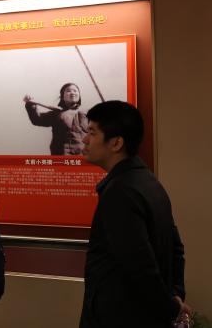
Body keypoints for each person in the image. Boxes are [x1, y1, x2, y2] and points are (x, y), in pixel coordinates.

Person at [79, 100, 191, 328]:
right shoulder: (148, 181)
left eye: (92, 132)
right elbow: (176, 248)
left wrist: (171, 308)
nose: (85, 139)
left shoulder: (120, 191)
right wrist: (175, 296)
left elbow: (139, 266)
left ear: (116, 143)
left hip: (121, 315)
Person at [24, 82, 88, 155]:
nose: (72, 93)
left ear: (79, 96)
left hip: (85, 156)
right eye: (68, 91)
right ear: (62, 97)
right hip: (62, 156)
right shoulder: (56, 114)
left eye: (75, 91)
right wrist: (30, 105)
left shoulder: (88, 114)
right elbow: (37, 120)